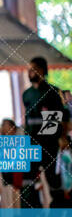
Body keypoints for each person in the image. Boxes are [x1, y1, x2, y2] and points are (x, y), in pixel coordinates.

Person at [22, 57, 70, 207]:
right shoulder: (27, 94)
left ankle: (60, 212)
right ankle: (31, 213)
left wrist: (61, 138)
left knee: (53, 178)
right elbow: (27, 120)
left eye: (33, 69)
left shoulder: (53, 92)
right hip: (31, 142)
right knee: (28, 179)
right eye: (29, 69)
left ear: (42, 70)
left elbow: (62, 118)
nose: (30, 72)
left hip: (49, 142)